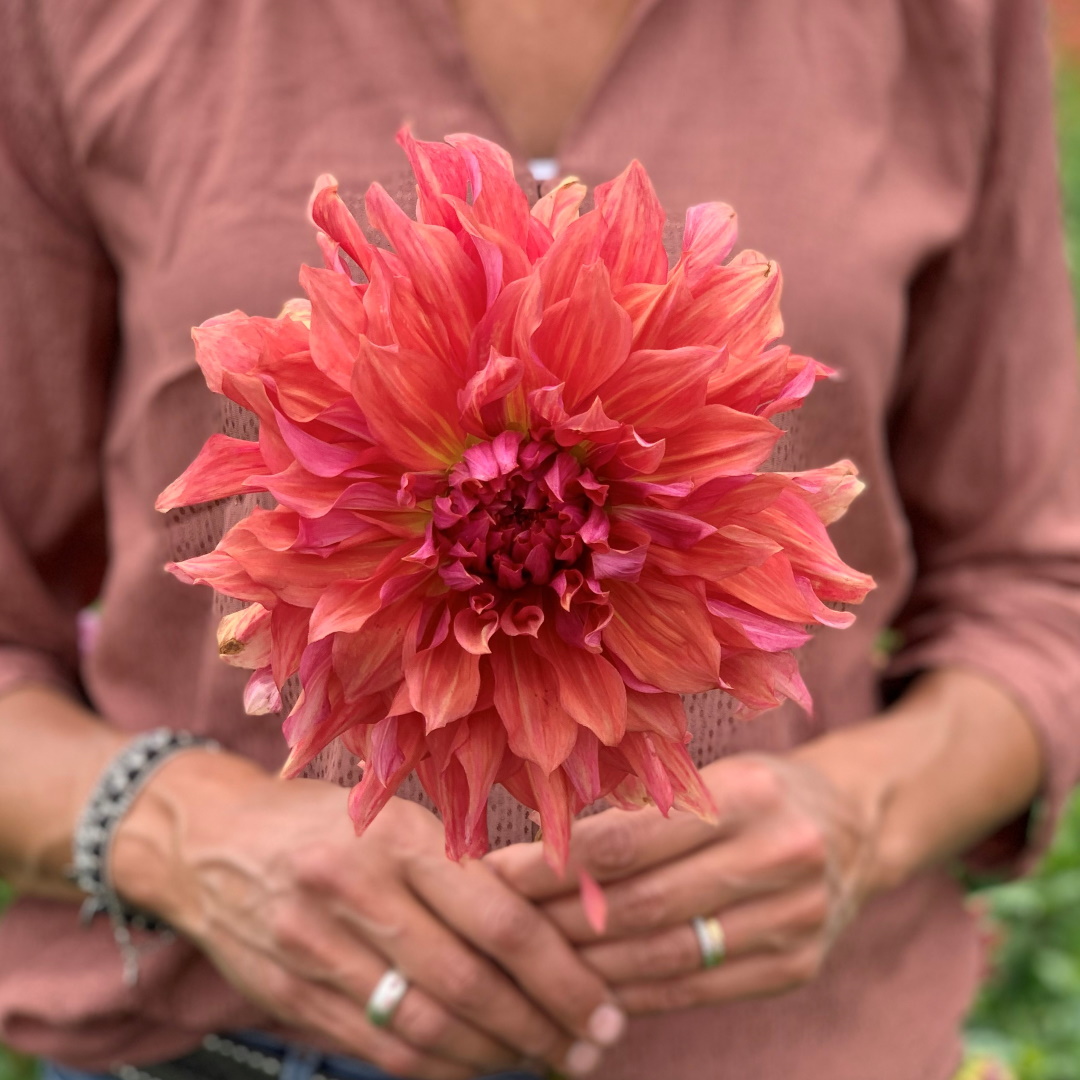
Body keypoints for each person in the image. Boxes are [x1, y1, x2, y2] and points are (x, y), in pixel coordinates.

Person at [0, 1, 1078, 1079]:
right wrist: (179, 826)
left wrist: (861, 816)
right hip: (228, 1046)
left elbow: (1037, 585)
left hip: (781, 1044)